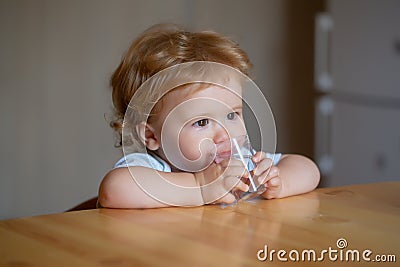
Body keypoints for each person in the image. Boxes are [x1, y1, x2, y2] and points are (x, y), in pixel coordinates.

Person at [98, 24, 320, 208]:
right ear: (152, 136)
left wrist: (280, 182)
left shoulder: (240, 162)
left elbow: (308, 169)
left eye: (232, 115)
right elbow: (114, 190)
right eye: (202, 122)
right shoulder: (151, 168)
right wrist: (200, 187)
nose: (225, 134)